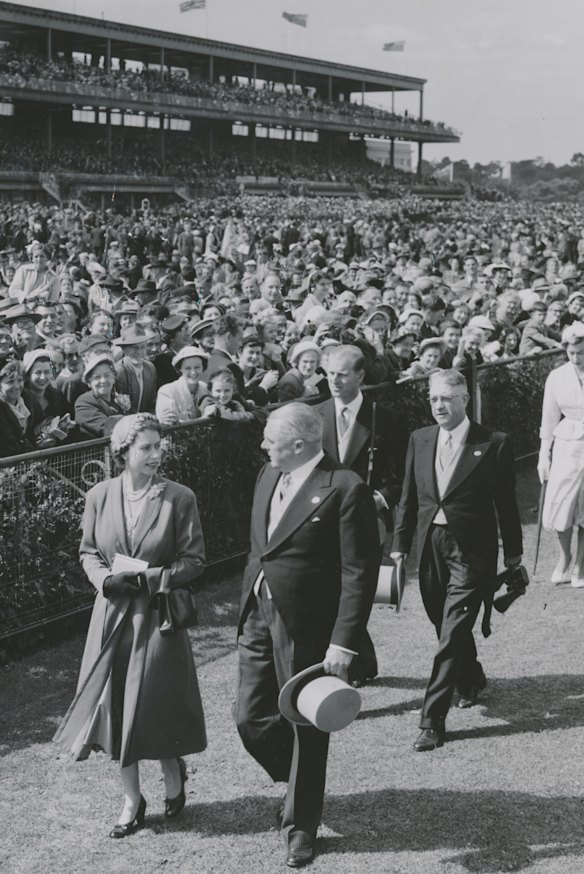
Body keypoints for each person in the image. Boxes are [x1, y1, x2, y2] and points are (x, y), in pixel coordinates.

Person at [234, 403, 379, 868]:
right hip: (258, 611)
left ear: (299, 445)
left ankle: (301, 824)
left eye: (270, 439)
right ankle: (299, 779)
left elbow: (360, 572)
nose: (263, 446)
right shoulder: (267, 474)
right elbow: (263, 547)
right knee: (250, 718)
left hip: (308, 625)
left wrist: (343, 641)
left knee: (306, 726)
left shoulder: (345, 487)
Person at [54, 414, 207, 836]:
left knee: (156, 703)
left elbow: (194, 561)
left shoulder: (180, 498)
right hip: (112, 616)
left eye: (160, 446)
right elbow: (88, 551)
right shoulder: (99, 495)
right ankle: (131, 799)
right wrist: (104, 579)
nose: (157, 454)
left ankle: (173, 773)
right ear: (122, 451)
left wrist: (153, 578)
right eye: (147, 447)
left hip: (157, 617)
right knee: (116, 705)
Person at [391, 369, 523, 751]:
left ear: (465, 400)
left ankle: (432, 721)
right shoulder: (420, 438)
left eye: (447, 398)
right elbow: (408, 496)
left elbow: (507, 505)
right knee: (441, 620)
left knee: (451, 631)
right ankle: (471, 677)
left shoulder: (494, 443)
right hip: (430, 544)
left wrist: (513, 553)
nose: (439, 405)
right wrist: (400, 544)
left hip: (472, 550)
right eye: (433, 398)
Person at [316, 343, 406, 686]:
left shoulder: (386, 419)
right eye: (329, 374)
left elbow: (403, 476)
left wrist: (382, 498)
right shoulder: (314, 416)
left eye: (341, 374)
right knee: (332, 590)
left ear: (360, 376)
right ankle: (358, 660)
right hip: (323, 521)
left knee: (356, 588)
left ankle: (353, 660)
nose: (334, 381)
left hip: (368, 521)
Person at [538, 323, 584, 587]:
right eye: (572, 353)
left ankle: (581, 565)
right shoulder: (557, 376)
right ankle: (564, 558)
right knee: (562, 504)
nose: (577, 358)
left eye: (582, 353)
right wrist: (544, 455)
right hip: (567, 445)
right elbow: (549, 417)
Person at [75, 354, 127, 438]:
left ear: (113, 378)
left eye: (107, 375)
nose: (103, 381)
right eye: (97, 377)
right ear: (88, 383)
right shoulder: (84, 402)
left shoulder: (118, 398)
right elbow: (108, 428)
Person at [155, 345, 209, 425]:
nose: (193, 372)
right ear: (180, 369)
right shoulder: (167, 391)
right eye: (188, 368)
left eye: (197, 367)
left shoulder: (205, 388)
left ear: (203, 367)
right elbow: (169, 425)